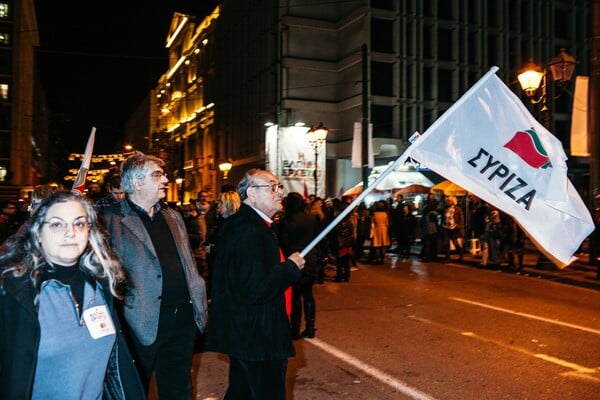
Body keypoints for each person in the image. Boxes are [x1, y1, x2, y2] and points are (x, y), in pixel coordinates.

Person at [0, 191, 145, 399]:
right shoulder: (15, 292)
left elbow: (113, 367)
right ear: (38, 232)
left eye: (79, 224)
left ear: (89, 231)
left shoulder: (101, 285)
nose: (71, 233)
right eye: (57, 224)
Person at [102, 152, 208, 399]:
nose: (166, 179)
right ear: (137, 183)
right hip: (140, 323)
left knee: (179, 388)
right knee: (135, 389)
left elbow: (187, 261)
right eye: (157, 175)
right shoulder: (112, 220)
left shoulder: (173, 216)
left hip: (181, 319)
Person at [204, 168, 305, 400]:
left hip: (249, 335)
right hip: (259, 338)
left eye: (279, 187)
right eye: (272, 187)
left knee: (242, 392)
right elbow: (255, 288)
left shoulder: (249, 224)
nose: (280, 192)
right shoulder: (250, 229)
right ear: (252, 193)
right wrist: (290, 267)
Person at [278, 192, 319, 339]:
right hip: (310, 259)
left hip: (294, 260)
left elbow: (283, 242)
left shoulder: (286, 221)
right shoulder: (310, 219)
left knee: (295, 297)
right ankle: (310, 327)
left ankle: (294, 329)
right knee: (308, 295)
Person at [441, 195, 465, 261]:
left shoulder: (457, 208)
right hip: (445, 227)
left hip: (454, 227)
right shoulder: (445, 208)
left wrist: (459, 226)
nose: (447, 202)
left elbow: (461, 218)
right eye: (447, 200)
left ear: (453, 201)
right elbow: (443, 217)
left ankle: (460, 255)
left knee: (455, 242)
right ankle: (447, 256)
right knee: (446, 242)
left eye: (449, 200)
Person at [370, 200, 390, 264]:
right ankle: (382, 260)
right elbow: (387, 224)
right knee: (383, 246)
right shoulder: (385, 214)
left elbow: (372, 223)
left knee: (377, 246)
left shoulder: (374, 214)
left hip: (377, 229)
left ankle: (377, 259)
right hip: (384, 230)